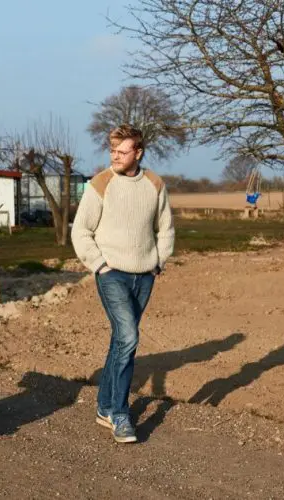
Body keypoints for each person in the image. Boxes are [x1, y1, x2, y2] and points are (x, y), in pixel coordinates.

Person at [71, 124, 175, 444]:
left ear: (138, 153)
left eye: (122, 151)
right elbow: (81, 230)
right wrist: (99, 265)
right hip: (111, 273)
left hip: (144, 275)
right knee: (129, 337)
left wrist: (158, 261)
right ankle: (119, 414)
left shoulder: (155, 184)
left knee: (121, 340)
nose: (115, 156)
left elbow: (165, 228)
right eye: (112, 150)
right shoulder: (100, 184)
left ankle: (104, 407)